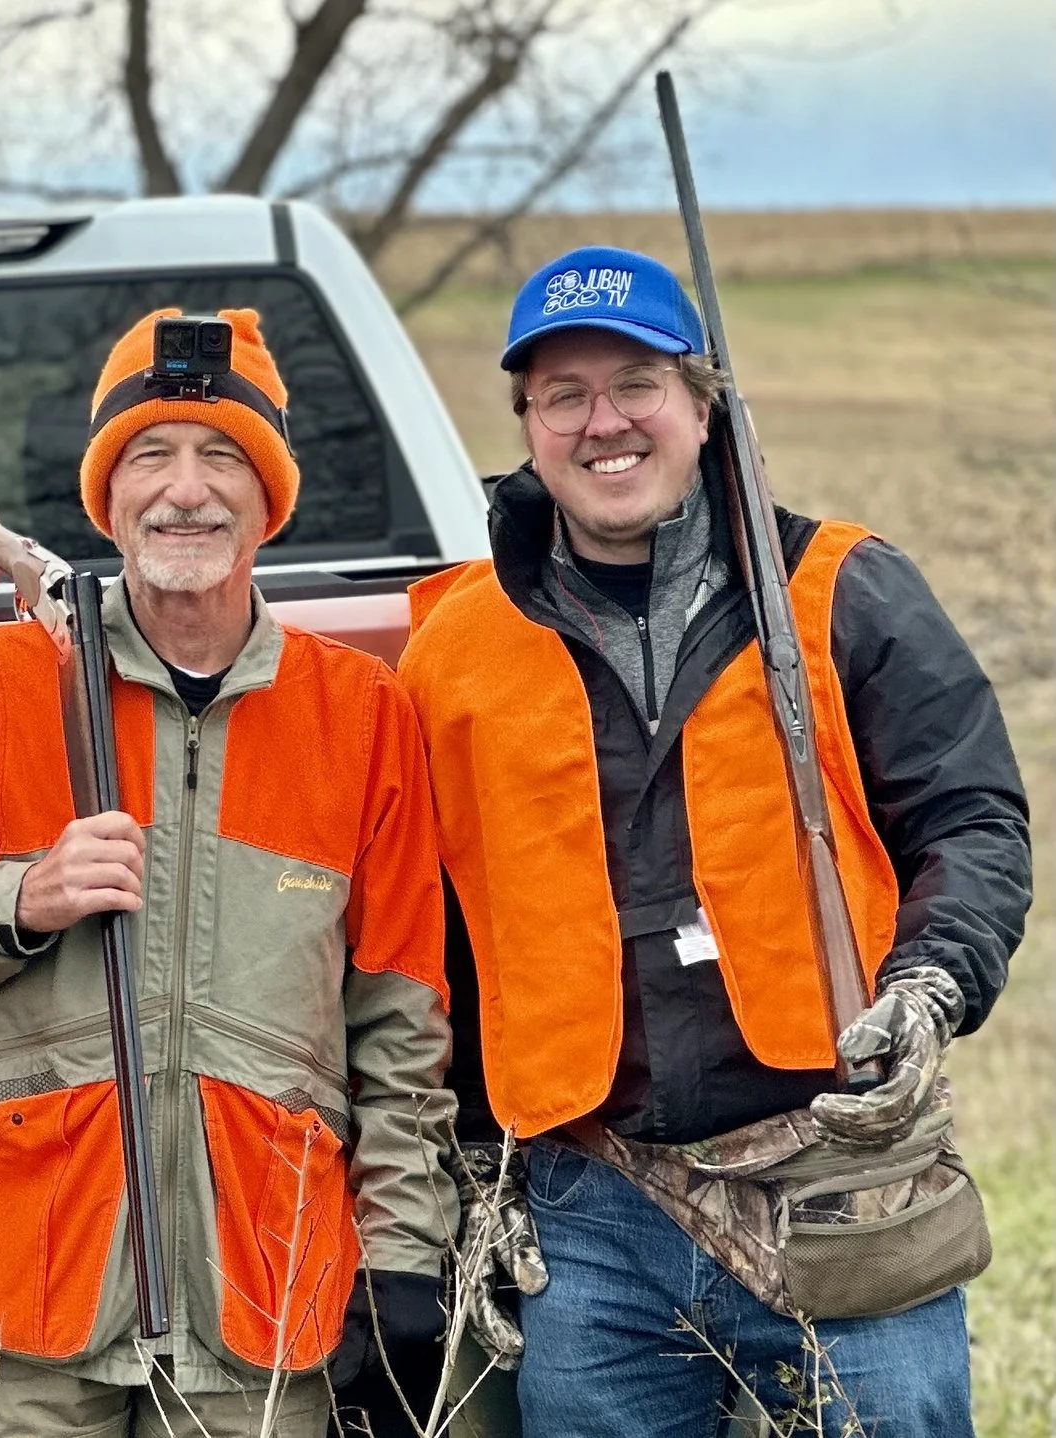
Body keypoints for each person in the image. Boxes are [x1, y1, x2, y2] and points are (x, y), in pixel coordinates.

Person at [401, 247, 1031, 1436]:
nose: (603, 423)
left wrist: (931, 980)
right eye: (563, 395)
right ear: (528, 426)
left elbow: (970, 818)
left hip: (839, 1173)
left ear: (702, 404)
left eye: (635, 382)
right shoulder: (453, 649)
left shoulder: (842, 589)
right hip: (593, 1206)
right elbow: (436, 924)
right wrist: (467, 1154)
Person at [0, 309, 457, 1438]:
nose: (186, 490)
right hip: (27, 1275)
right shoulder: (0, 680)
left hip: (265, 1284)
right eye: (150, 455)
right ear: (107, 496)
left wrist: (404, 1253)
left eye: (222, 455)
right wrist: (19, 897)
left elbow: (400, 1015)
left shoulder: (358, 712)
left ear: (270, 497)